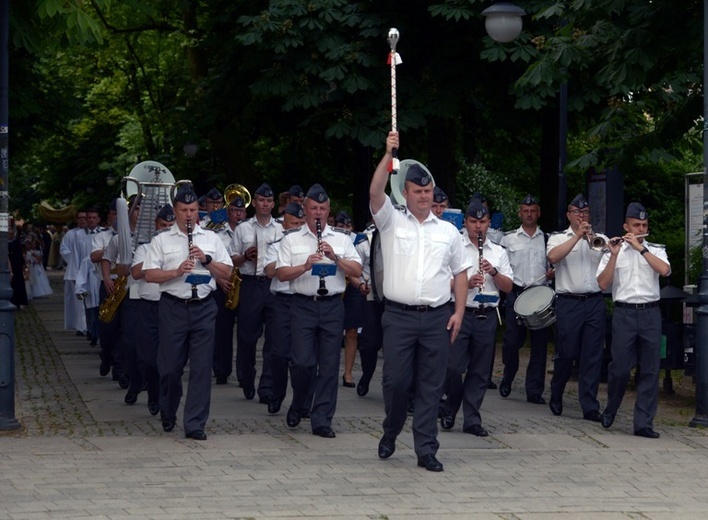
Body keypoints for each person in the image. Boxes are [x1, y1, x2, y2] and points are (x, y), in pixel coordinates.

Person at [370, 132, 471, 472]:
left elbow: (460, 273)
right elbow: (374, 191)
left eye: (428, 191)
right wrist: (388, 154)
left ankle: (426, 449)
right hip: (398, 317)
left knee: (431, 385)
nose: (425, 197)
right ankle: (391, 430)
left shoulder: (448, 232)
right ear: (406, 193)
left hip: (437, 318)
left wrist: (459, 312)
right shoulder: (390, 220)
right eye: (418, 191)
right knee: (396, 383)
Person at [143, 186, 233, 440]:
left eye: (193, 210)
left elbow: (226, 273)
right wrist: (175, 272)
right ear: (176, 211)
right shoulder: (162, 240)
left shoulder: (211, 238)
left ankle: (195, 424)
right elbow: (149, 274)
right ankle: (168, 408)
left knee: (202, 368)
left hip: (204, 306)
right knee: (170, 368)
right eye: (184, 210)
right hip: (173, 306)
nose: (189, 215)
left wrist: (206, 259)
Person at [275, 184, 362, 438]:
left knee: (328, 364)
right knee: (302, 362)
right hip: (302, 304)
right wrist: (304, 266)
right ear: (305, 209)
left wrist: (335, 258)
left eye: (323, 209)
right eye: (313, 208)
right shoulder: (291, 239)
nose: (318, 213)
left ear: (328, 210)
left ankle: (322, 419)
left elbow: (356, 271)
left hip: (333, 305)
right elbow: (280, 273)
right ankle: (300, 402)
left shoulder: (341, 239)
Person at [597, 202, 670, 438]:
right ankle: (611, 407)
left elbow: (665, 271)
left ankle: (643, 423)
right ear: (626, 226)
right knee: (619, 368)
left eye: (644, 225)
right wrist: (614, 256)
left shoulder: (655, 249)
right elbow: (602, 283)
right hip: (624, 313)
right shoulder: (613, 251)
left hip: (650, 313)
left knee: (650, 369)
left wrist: (642, 249)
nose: (641, 229)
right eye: (636, 225)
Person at [440, 199, 512, 436]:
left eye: (482, 222)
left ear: (489, 223)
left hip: (486, 315)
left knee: (480, 371)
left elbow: (508, 287)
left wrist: (493, 272)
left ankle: (471, 419)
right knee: (451, 366)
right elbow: (441, 281)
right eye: (473, 222)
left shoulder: (498, 251)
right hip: (460, 311)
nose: (478, 227)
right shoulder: (454, 247)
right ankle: (450, 406)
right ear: (466, 222)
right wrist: (465, 283)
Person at [546, 193, 608, 422]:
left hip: (593, 301)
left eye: (585, 212)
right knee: (566, 352)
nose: (581, 216)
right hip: (568, 302)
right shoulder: (558, 238)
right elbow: (553, 257)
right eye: (577, 212)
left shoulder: (599, 238)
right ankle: (557, 392)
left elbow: (609, 259)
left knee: (592, 355)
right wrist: (577, 238)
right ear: (569, 215)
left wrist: (591, 239)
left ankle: (590, 406)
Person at [499, 194, 554, 404]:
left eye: (533, 211)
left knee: (539, 346)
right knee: (512, 342)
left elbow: (553, 265)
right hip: (517, 292)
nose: (529, 214)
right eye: (525, 211)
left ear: (538, 212)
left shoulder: (547, 239)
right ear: (520, 213)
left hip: (540, 295)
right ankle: (508, 377)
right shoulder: (508, 238)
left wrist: (552, 273)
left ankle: (534, 390)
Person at [231, 183, 283, 402]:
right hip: (250, 283)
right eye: (262, 200)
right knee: (246, 336)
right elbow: (231, 260)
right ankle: (246, 377)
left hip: (271, 284)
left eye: (269, 201)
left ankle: (267, 386)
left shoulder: (281, 228)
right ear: (255, 202)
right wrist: (244, 256)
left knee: (273, 338)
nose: (265, 204)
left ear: (273, 204)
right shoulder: (243, 228)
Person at [131, 203, 176, 416]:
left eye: (170, 225)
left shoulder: (181, 248)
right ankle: (153, 393)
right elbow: (136, 273)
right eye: (162, 225)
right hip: (148, 307)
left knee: (169, 359)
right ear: (156, 226)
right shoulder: (144, 248)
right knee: (148, 358)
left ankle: (166, 399)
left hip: (171, 306)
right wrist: (155, 254)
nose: (166, 229)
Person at [264, 201, 307, 414]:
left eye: (301, 223)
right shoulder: (276, 245)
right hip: (282, 302)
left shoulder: (310, 244)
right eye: (293, 224)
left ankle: (303, 402)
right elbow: (270, 271)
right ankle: (277, 393)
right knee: (280, 353)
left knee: (304, 357)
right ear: (284, 225)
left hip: (303, 301)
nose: (297, 228)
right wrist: (286, 260)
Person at [212, 195, 247, 385]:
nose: (238, 214)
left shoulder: (250, 232)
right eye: (234, 210)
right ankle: (221, 370)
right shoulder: (217, 234)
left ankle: (243, 373)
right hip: (222, 284)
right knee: (222, 331)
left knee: (244, 331)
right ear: (228, 212)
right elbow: (211, 261)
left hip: (244, 284)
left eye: (241, 211)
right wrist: (218, 279)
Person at [335, 210, 364, 388]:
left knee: (352, 332)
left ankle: (348, 373)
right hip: (336, 286)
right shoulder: (329, 238)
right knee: (332, 332)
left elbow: (359, 268)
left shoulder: (359, 241)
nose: (345, 229)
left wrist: (359, 284)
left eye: (348, 226)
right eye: (341, 226)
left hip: (352, 287)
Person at [60, 210, 88, 333]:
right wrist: (75, 258)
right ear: (76, 220)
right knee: (78, 303)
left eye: (84, 218)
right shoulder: (71, 234)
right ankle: (80, 326)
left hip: (90, 270)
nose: (83, 220)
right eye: (80, 218)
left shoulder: (93, 233)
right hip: (74, 270)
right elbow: (64, 250)